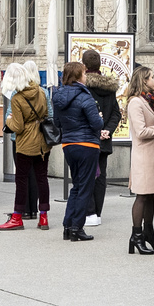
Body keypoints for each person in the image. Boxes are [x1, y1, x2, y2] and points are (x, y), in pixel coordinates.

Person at [53, 61, 104, 242]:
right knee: (85, 188)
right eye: (83, 73)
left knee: (76, 185)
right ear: (77, 76)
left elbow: (57, 123)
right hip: (87, 145)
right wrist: (99, 118)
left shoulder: (58, 96)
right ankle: (76, 228)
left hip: (68, 144)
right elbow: (96, 124)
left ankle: (68, 225)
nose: (86, 75)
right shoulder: (85, 96)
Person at [0, 62, 51, 231]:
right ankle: (43, 216)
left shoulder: (17, 98)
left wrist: (8, 120)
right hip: (42, 141)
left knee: (21, 179)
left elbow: (18, 126)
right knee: (42, 177)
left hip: (25, 142)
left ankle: (17, 216)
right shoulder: (42, 91)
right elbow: (48, 114)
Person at [126, 66, 154, 253]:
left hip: (153, 155)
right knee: (142, 196)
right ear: (143, 80)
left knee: (151, 195)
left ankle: (149, 233)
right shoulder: (136, 102)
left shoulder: (148, 100)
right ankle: (136, 236)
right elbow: (141, 132)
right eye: (152, 77)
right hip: (143, 155)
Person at [81, 50, 123, 229]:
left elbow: (83, 113)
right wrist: (107, 130)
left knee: (87, 174)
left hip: (88, 136)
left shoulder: (82, 87)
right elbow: (116, 112)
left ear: (84, 66)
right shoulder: (109, 87)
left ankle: (90, 212)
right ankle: (97, 212)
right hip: (104, 137)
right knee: (101, 176)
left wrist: (97, 130)